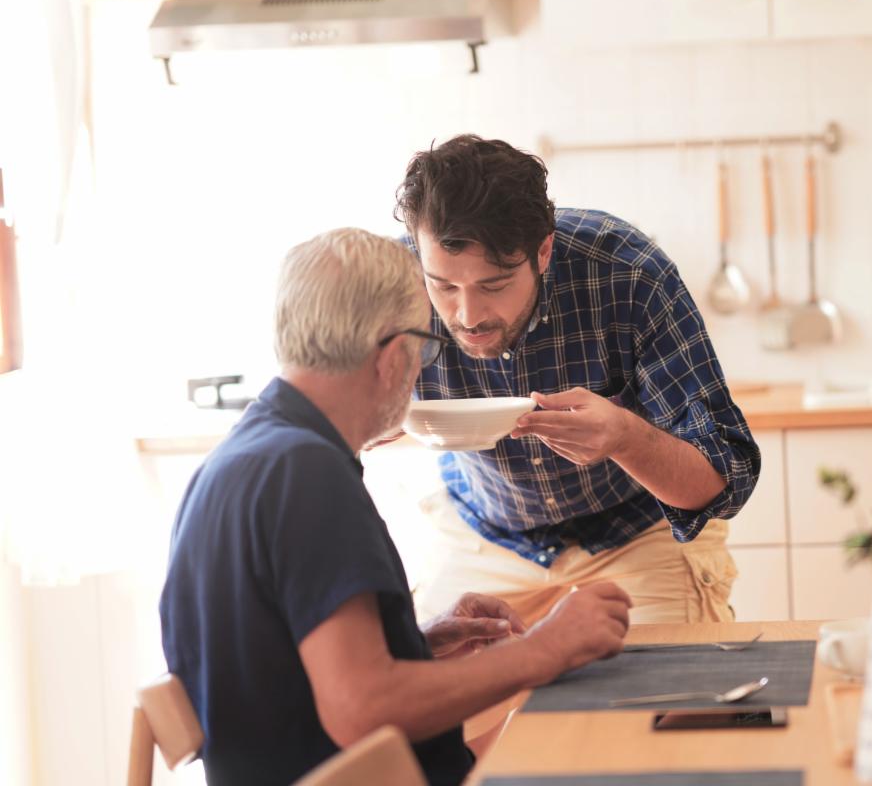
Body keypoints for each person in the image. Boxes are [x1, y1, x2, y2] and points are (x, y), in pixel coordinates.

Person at [159, 228, 632, 786]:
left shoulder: (245, 456)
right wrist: (547, 649)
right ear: (390, 357)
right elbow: (362, 709)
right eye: (423, 347)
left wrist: (415, 643)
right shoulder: (305, 475)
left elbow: (278, 677)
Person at [394, 135, 761, 627]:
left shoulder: (629, 275)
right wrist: (364, 420)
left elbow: (725, 479)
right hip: (483, 531)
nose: (467, 314)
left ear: (542, 252)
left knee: (677, 696)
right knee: (432, 695)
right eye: (443, 285)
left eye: (494, 285)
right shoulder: (392, 282)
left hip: (636, 532)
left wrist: (627, 437)